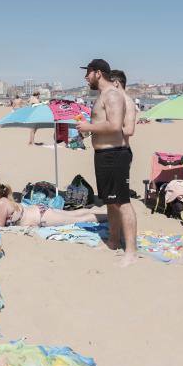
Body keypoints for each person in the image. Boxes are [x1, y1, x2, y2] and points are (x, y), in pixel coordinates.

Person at [76, 59, 137, 266]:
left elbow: (115, 125)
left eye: (88, 73)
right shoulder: (103, 95)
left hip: (115, 154)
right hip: (103, 155)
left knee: (122, 202)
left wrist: (88, 127)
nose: (86, 77)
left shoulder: (112, 94)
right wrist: (87, 128)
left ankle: (131, 251)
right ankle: (112, 241)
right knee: (110, 201)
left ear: (98, 73)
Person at [0, 182, 104, 227]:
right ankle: (98, 211)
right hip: (40, 210)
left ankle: (109, 217)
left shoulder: (0, 204)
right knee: (73, 214)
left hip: (41, 217)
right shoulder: (1, 201)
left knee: (80, 219)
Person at [109, 70, 137, 141]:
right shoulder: (116, 101)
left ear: (116, 83)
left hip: (120, 150)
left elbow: (129, 130)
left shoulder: (127, 102)